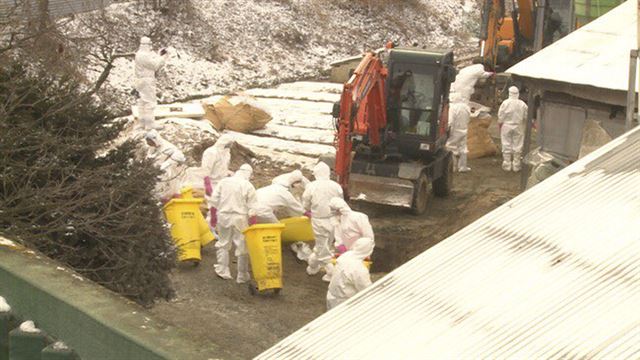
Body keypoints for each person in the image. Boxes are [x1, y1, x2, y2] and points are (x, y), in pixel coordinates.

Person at [209, 164, 257, 283]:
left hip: (223, 215)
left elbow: (214, 201)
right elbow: (253, 209)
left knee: (223, 243)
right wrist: (253, 225)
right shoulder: (248, 185)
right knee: (242, 246)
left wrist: (213, 218)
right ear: (249, 174)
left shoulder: (224, 182)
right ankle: (242, 275)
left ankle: (223, 270)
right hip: (240, 218)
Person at [302, 162, 344, 276]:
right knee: (323, 246)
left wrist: (306, 209)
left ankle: (332, 273)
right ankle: (312, 267)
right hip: (333, 219)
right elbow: (341, 202)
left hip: (319, 220)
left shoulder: (312, 186)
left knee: (322, 249)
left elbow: (305, 201)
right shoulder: (336, 186)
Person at [326, 237, 375, 310]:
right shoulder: (359, 269)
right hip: (345, 302)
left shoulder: (346, 255)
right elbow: (366, 290)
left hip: (331, 295)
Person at [134, 36, 166, 131]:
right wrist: (163, 58)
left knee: (142, 102)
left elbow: (151, 60)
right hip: (147, 80)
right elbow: (155, 66)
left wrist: (158, 55)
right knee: (150, 102)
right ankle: (149, 124)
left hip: (140, 80)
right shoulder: (143, 55)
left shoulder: (139, 54)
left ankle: (142, 122)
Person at [498, 86, 528, 172]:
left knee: (506, 144)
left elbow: (501, 115)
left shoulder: (505, 103)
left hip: (506, 126)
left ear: (509, 93)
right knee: (518, 145)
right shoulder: (522, 104)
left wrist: (500, 123)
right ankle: (516, 165)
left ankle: (507, 164)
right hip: (518, 126)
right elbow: (526, 116)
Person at [446, 92, 472, 172]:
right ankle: (463, 167)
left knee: (451, 147)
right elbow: (469, 118)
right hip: (464, 130)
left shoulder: (453, 108)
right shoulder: (466, 107)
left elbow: (450, 121)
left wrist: (449, 131)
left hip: (455, 131)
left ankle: (453, 167)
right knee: (463, 148)